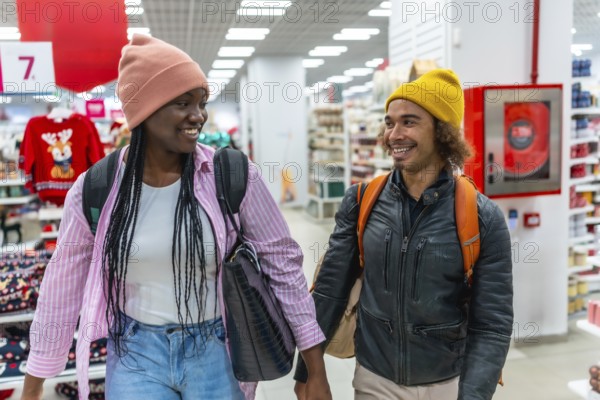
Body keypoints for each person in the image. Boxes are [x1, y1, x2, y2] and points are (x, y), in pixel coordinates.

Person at [21, 34, 332, 400]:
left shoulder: (231, 175)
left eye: (201, 102)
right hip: (135, 354)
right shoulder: (97, 190)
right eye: (183, 103)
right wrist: (33, 385)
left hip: (217, 350)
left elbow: (283, 266)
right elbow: (61, 287)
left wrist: (314, 368)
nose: (198, 116)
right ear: (144, 111)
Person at [294, 69, 513, 400]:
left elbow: (492, 323)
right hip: (374, 378)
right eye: (389, 122)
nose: (394, 134)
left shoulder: (482, 218)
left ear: (442, 132)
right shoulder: (362, 201)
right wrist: (309, 371)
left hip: (447, 381)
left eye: (409, 122)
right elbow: (329, 291)